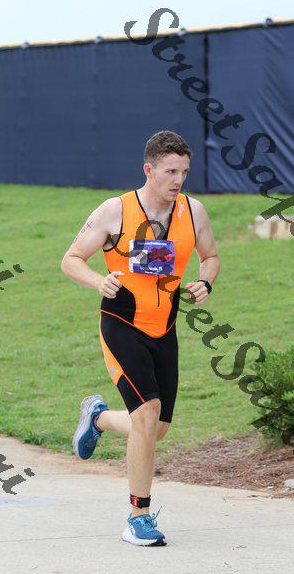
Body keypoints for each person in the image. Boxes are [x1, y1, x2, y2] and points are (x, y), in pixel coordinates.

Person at [60, 130, 221, 547]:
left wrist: (205, 282)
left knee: (156, 428)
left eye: (184, 172)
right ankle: (138, 516)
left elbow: (210, 256)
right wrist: (99, 281)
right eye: (170, 172)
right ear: (148, 169)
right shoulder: (115, 211)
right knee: (147, 414)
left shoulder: (193, 211)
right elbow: (71, 259)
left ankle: (97, 418)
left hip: (165, 328)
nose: (178, 180)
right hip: (122, 323)